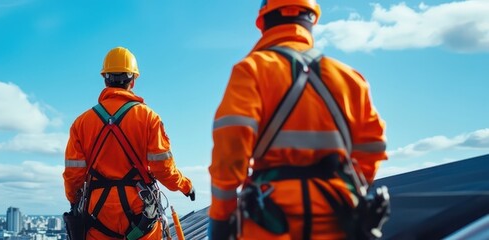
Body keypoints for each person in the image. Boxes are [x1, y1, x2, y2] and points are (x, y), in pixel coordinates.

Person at [208, 0, 388, 239]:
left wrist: (221, 217)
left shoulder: (251, 70)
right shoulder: (351, 79)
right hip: (337, 219)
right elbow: (373, 149)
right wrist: (344, 189)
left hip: (269, 222)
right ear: (312, 19)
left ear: (263, 22)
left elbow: (229, 153)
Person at [63, 46, 195, 240]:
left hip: (97, 215)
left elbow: (73, 175)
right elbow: (163, 169)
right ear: (133, 80)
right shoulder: (148, 118)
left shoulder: (82, 123)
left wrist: (74, 200)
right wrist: (185, 186)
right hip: (141, 214)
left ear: (105, 79)